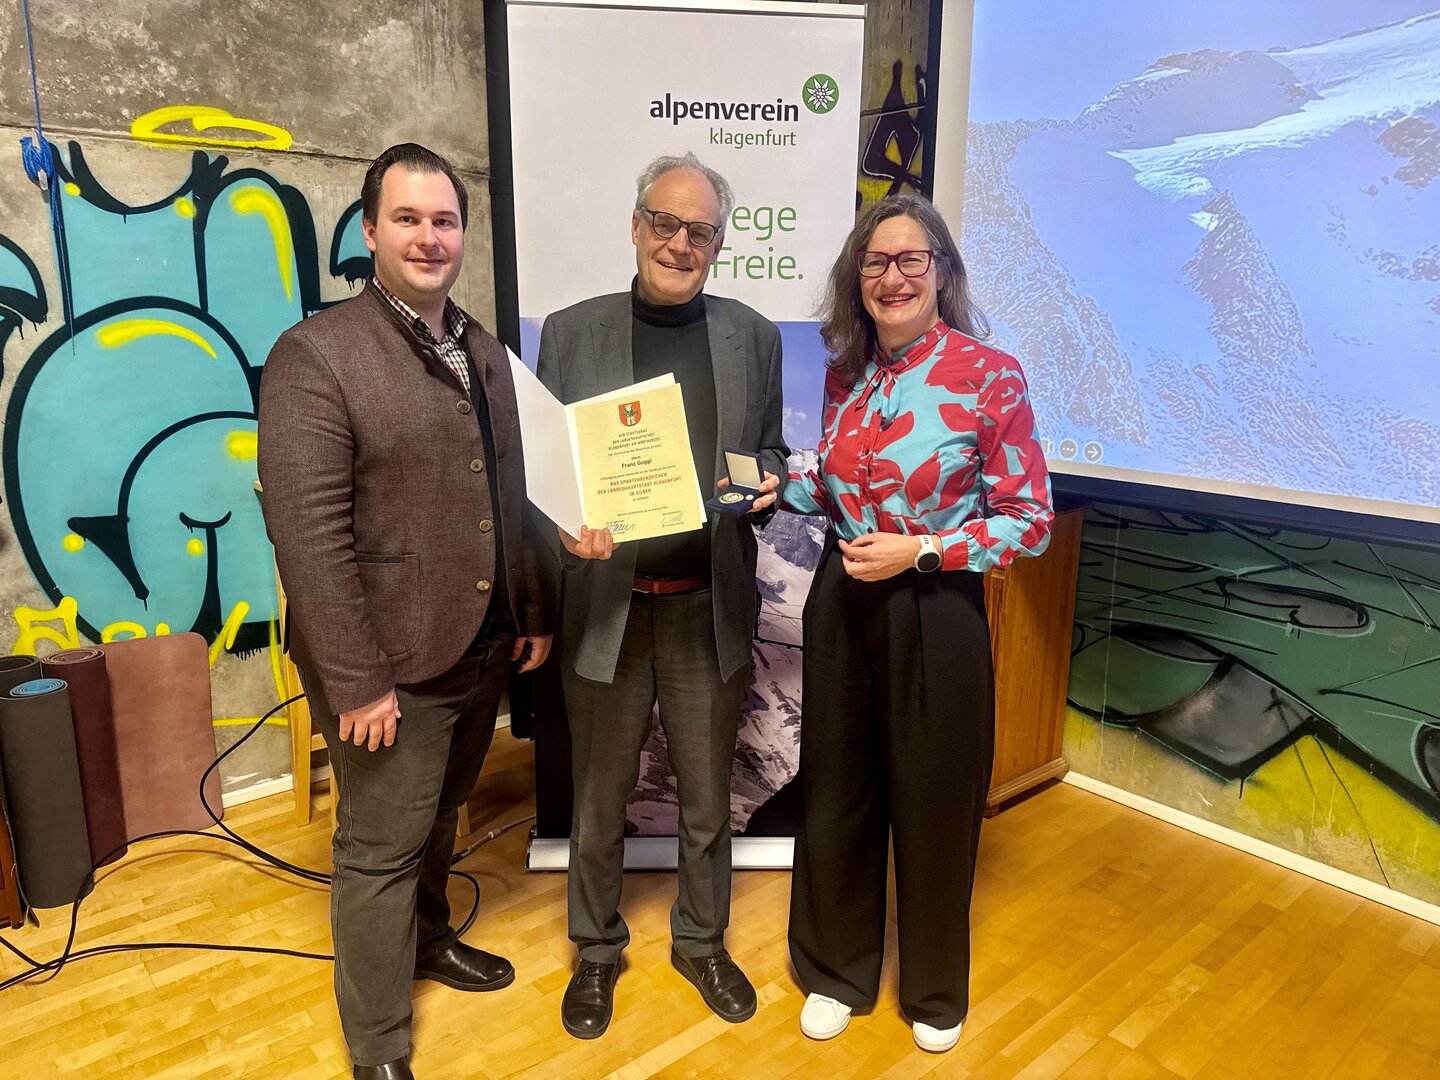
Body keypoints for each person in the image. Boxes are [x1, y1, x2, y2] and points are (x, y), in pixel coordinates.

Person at [258, 143, 556, 1080]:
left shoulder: (478, 348)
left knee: (442, 815)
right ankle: (378, 1043)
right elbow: (308, 536)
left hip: (482, 638)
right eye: (409, 219)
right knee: (381, 845)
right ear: (372, 230)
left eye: (445, 220)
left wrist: (532, 605)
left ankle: (429, 940)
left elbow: (510, 487)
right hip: (384, 660)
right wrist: (356, 677)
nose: (430, 237)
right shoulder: (318, 355)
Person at [782, 193, 1053, 1053]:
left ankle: (935, 988)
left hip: (937, 609)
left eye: (910, 261)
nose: (892, 277)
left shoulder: (990, 375)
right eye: (875, 263)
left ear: (940, 272)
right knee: (838, 789)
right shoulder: (844, 372)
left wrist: (923, 551)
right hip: (843, 599)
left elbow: (1029, 521)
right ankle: (836, 969)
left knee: (936, 800)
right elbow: (831, 487)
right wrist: (772, 488)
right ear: (854, 279)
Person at [536, 152, 787, 1039]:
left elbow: (771, 454)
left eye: (702, 232)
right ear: (636, 225)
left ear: (720, 244)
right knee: (597, 801)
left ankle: (701, 941)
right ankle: (596, 953)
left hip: (704, 606)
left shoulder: (753, 337)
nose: (681, 244)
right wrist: (565, 526)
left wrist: (770, 486)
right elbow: (545, 475)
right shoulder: (571, 333)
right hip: (607, 606)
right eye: (666, 224)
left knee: (706, 801)